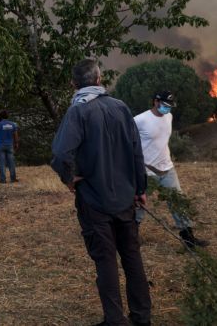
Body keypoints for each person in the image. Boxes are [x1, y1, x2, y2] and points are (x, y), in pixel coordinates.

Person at [51, 59, 151, 326]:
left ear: (74, 84)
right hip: (126, 198)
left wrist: (69, 178)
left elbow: (61, 154)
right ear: (99, 79)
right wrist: (140, 189)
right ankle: (142, 317)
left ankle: (115, 321)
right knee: (132, 256)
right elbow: (136, 152)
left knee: (105, 261)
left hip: (94, 200)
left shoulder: (77, 112)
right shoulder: (121, 107)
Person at [134, 91, 209, 248]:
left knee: (178, 202)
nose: (167, 109)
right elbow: (128, 142)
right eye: (165, 105)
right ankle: (130, 237)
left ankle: (188, 238)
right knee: (138, 206)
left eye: (170, 106)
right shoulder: (139, 120)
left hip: (167, 168)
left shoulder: (169, 117)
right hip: (146, 171)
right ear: (156, 102)